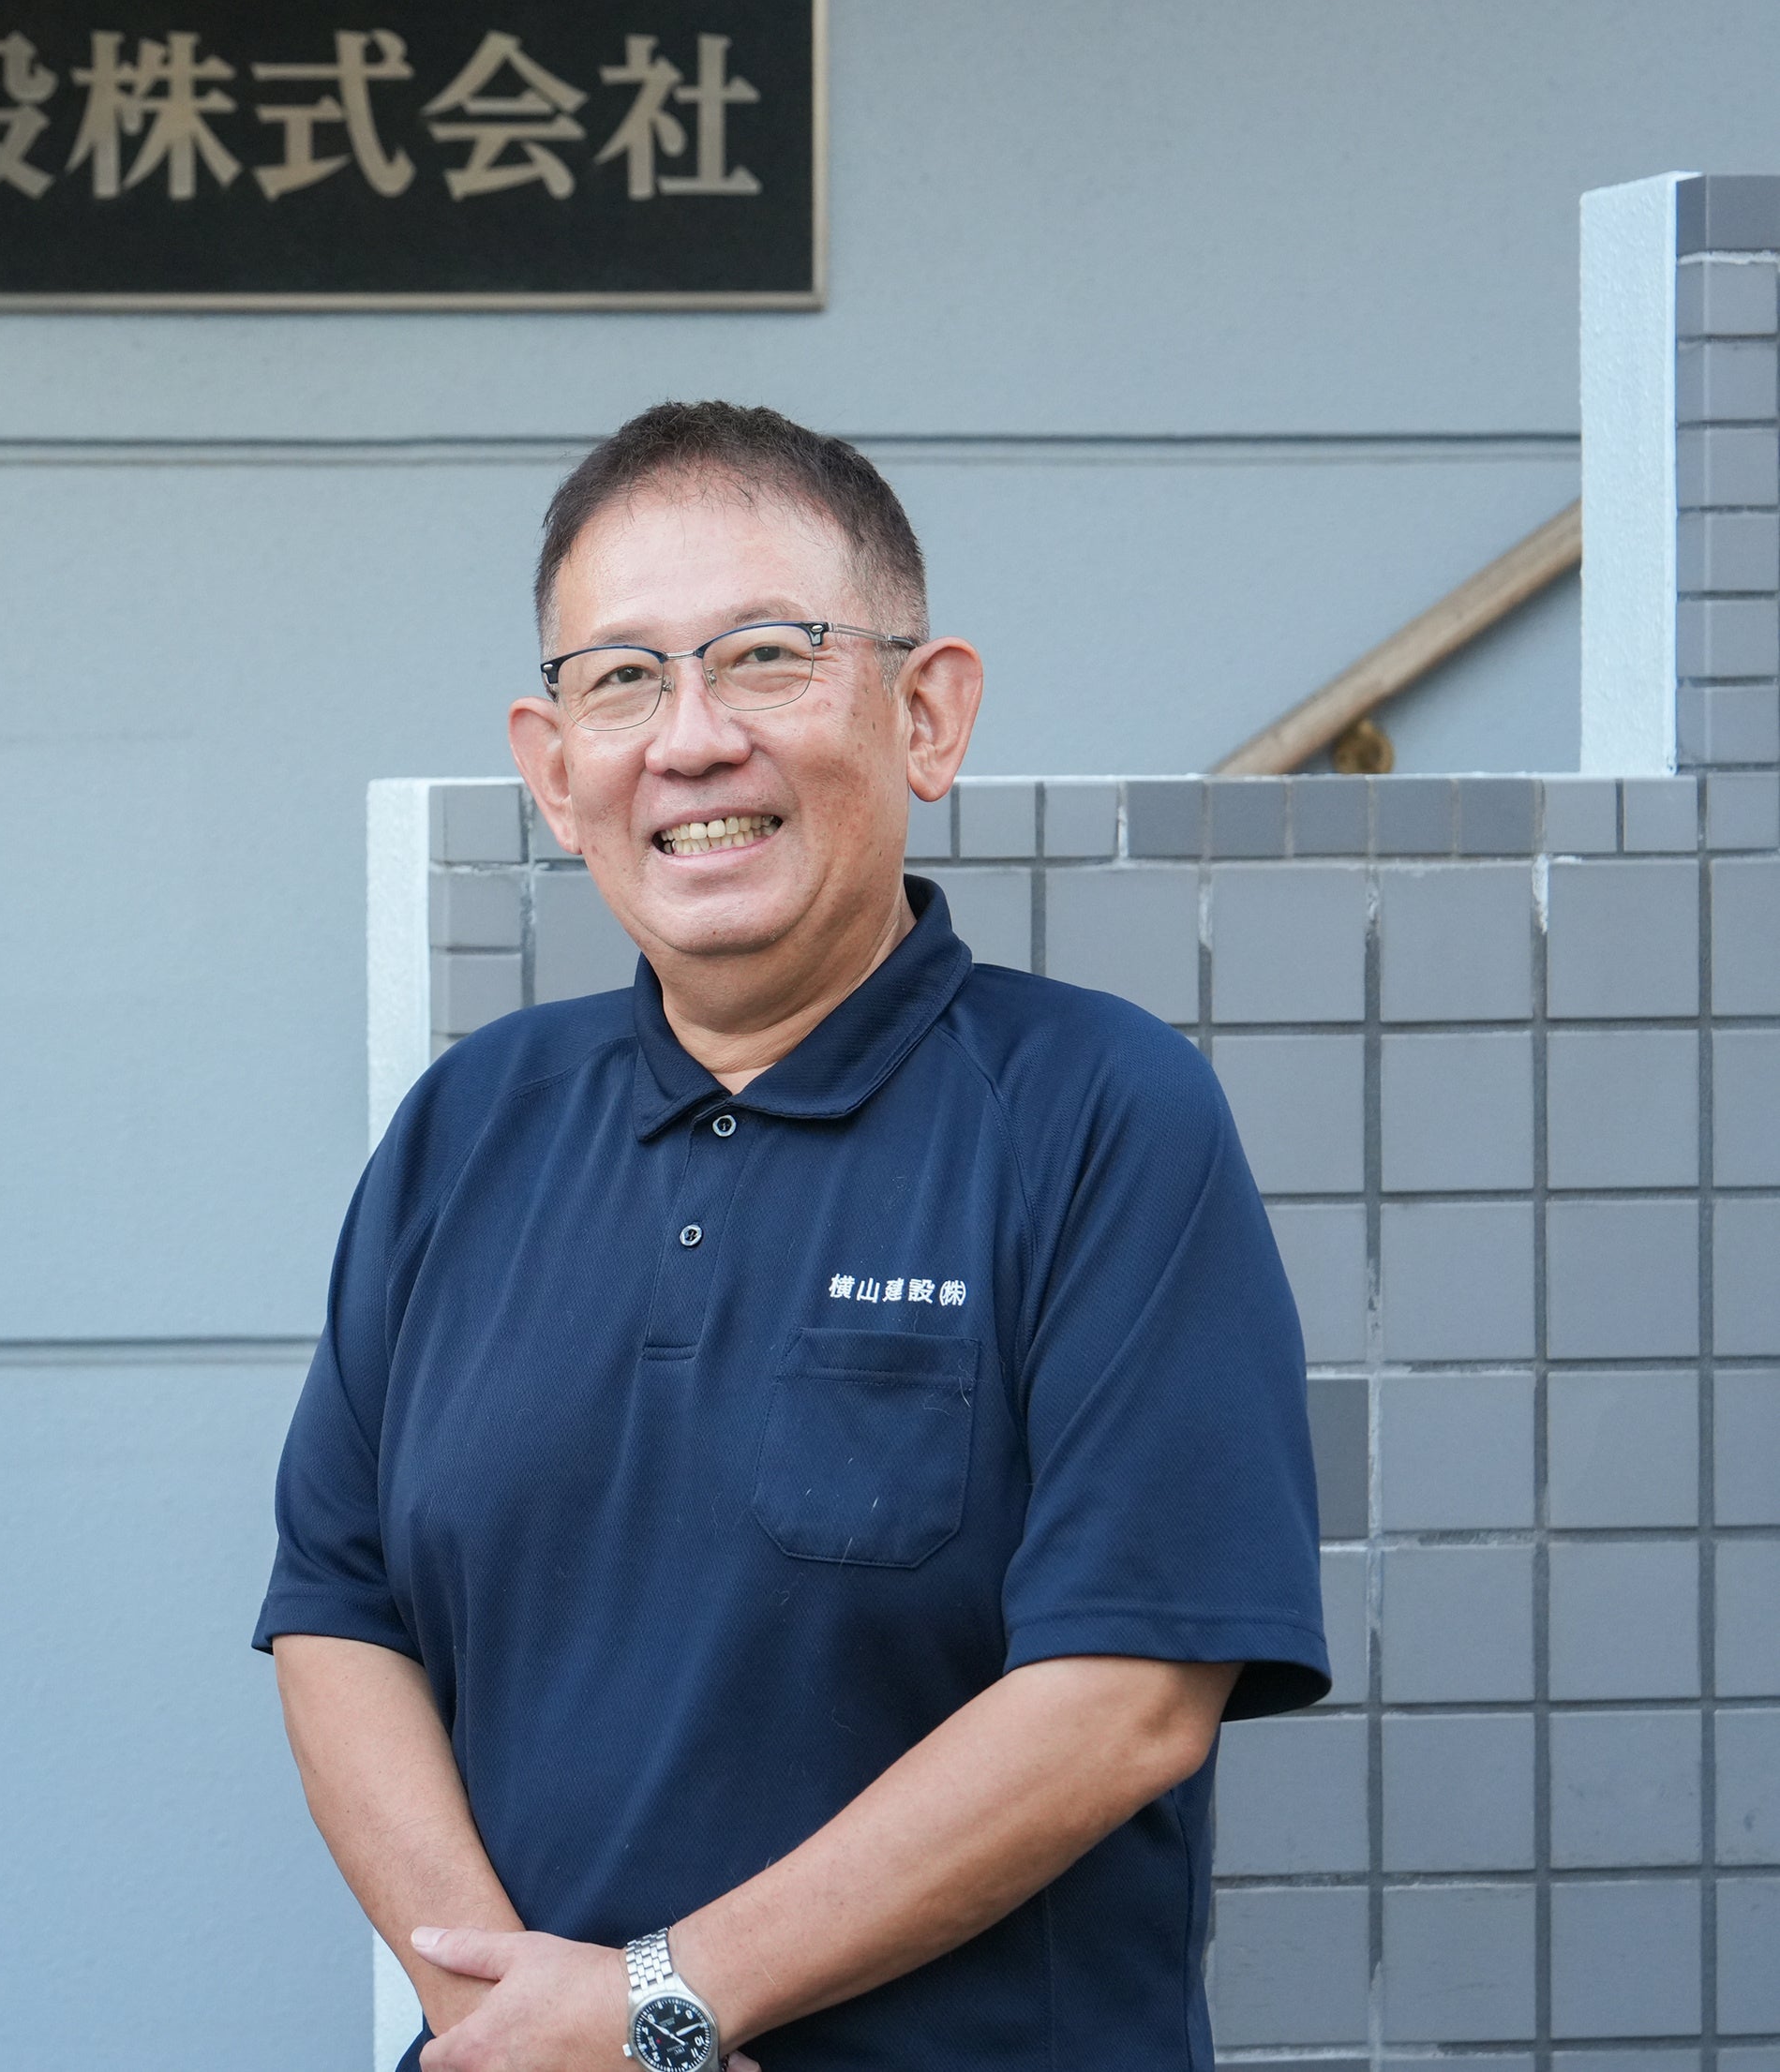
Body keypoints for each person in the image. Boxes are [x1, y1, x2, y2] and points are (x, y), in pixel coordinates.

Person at [258, 402, 1324, 2072]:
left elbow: (1128, 1696)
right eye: (622, 679)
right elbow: (338, 1614)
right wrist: (511, 2019)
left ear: (925, 714)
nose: (689, 741)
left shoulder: (1100, 1112)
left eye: (764, 656)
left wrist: (658, 2008)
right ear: (552, 770)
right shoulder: (469, 1126)